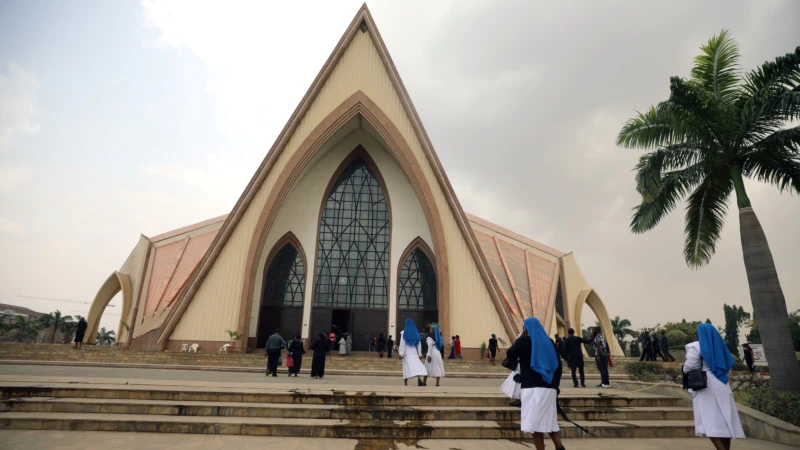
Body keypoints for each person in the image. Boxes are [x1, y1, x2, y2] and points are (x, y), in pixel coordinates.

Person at [506, 317, 565, 450]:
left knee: (535, 424)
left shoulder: (524, 341)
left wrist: (521, 337)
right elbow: (558, 366)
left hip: (532, 387)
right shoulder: (549, 341)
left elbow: (510, 353)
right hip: (550, 386)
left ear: (526, 329)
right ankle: (559, 446)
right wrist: (556, 386)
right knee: (549, 420)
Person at [683, 323, 745, 449]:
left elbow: (690, 366)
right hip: (722, 384)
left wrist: (684, 369)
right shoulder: (721, 347)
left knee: (709, 422)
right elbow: (728, 367)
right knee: (724, 422)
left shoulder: (696, 346)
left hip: (705, 385)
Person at [399, 318, 427, 386]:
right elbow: (419, 344)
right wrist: (420, 354)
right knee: (417, 366)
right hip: (414, 353)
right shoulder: (415, 333)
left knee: (405, 368)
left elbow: (402, 344)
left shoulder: (403, 333)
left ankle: (405, 383)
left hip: (406, 353)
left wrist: (401, 354)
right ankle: (419, 378)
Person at [500, 333, 523, 406]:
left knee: (518, 382)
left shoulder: (522, 341)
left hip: (521, 366)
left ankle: (519, 399)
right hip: (522, 365)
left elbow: (510, 352)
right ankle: (518, 398)